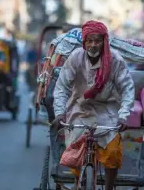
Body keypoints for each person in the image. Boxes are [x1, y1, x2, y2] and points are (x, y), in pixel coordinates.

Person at [53, 20, 135, 190]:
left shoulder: (115, 60)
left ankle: (109, 187)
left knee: (112, 152)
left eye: (97, 41)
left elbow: (128, 89)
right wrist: (60, 113)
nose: (93, 45)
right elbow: (61, 87)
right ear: (84, 42)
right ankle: (79, 183)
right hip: (80, 109)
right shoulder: (76, 57)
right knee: (75, 153)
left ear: (104, 42)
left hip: (108, 111)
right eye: (89, 41)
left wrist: (123, 115)